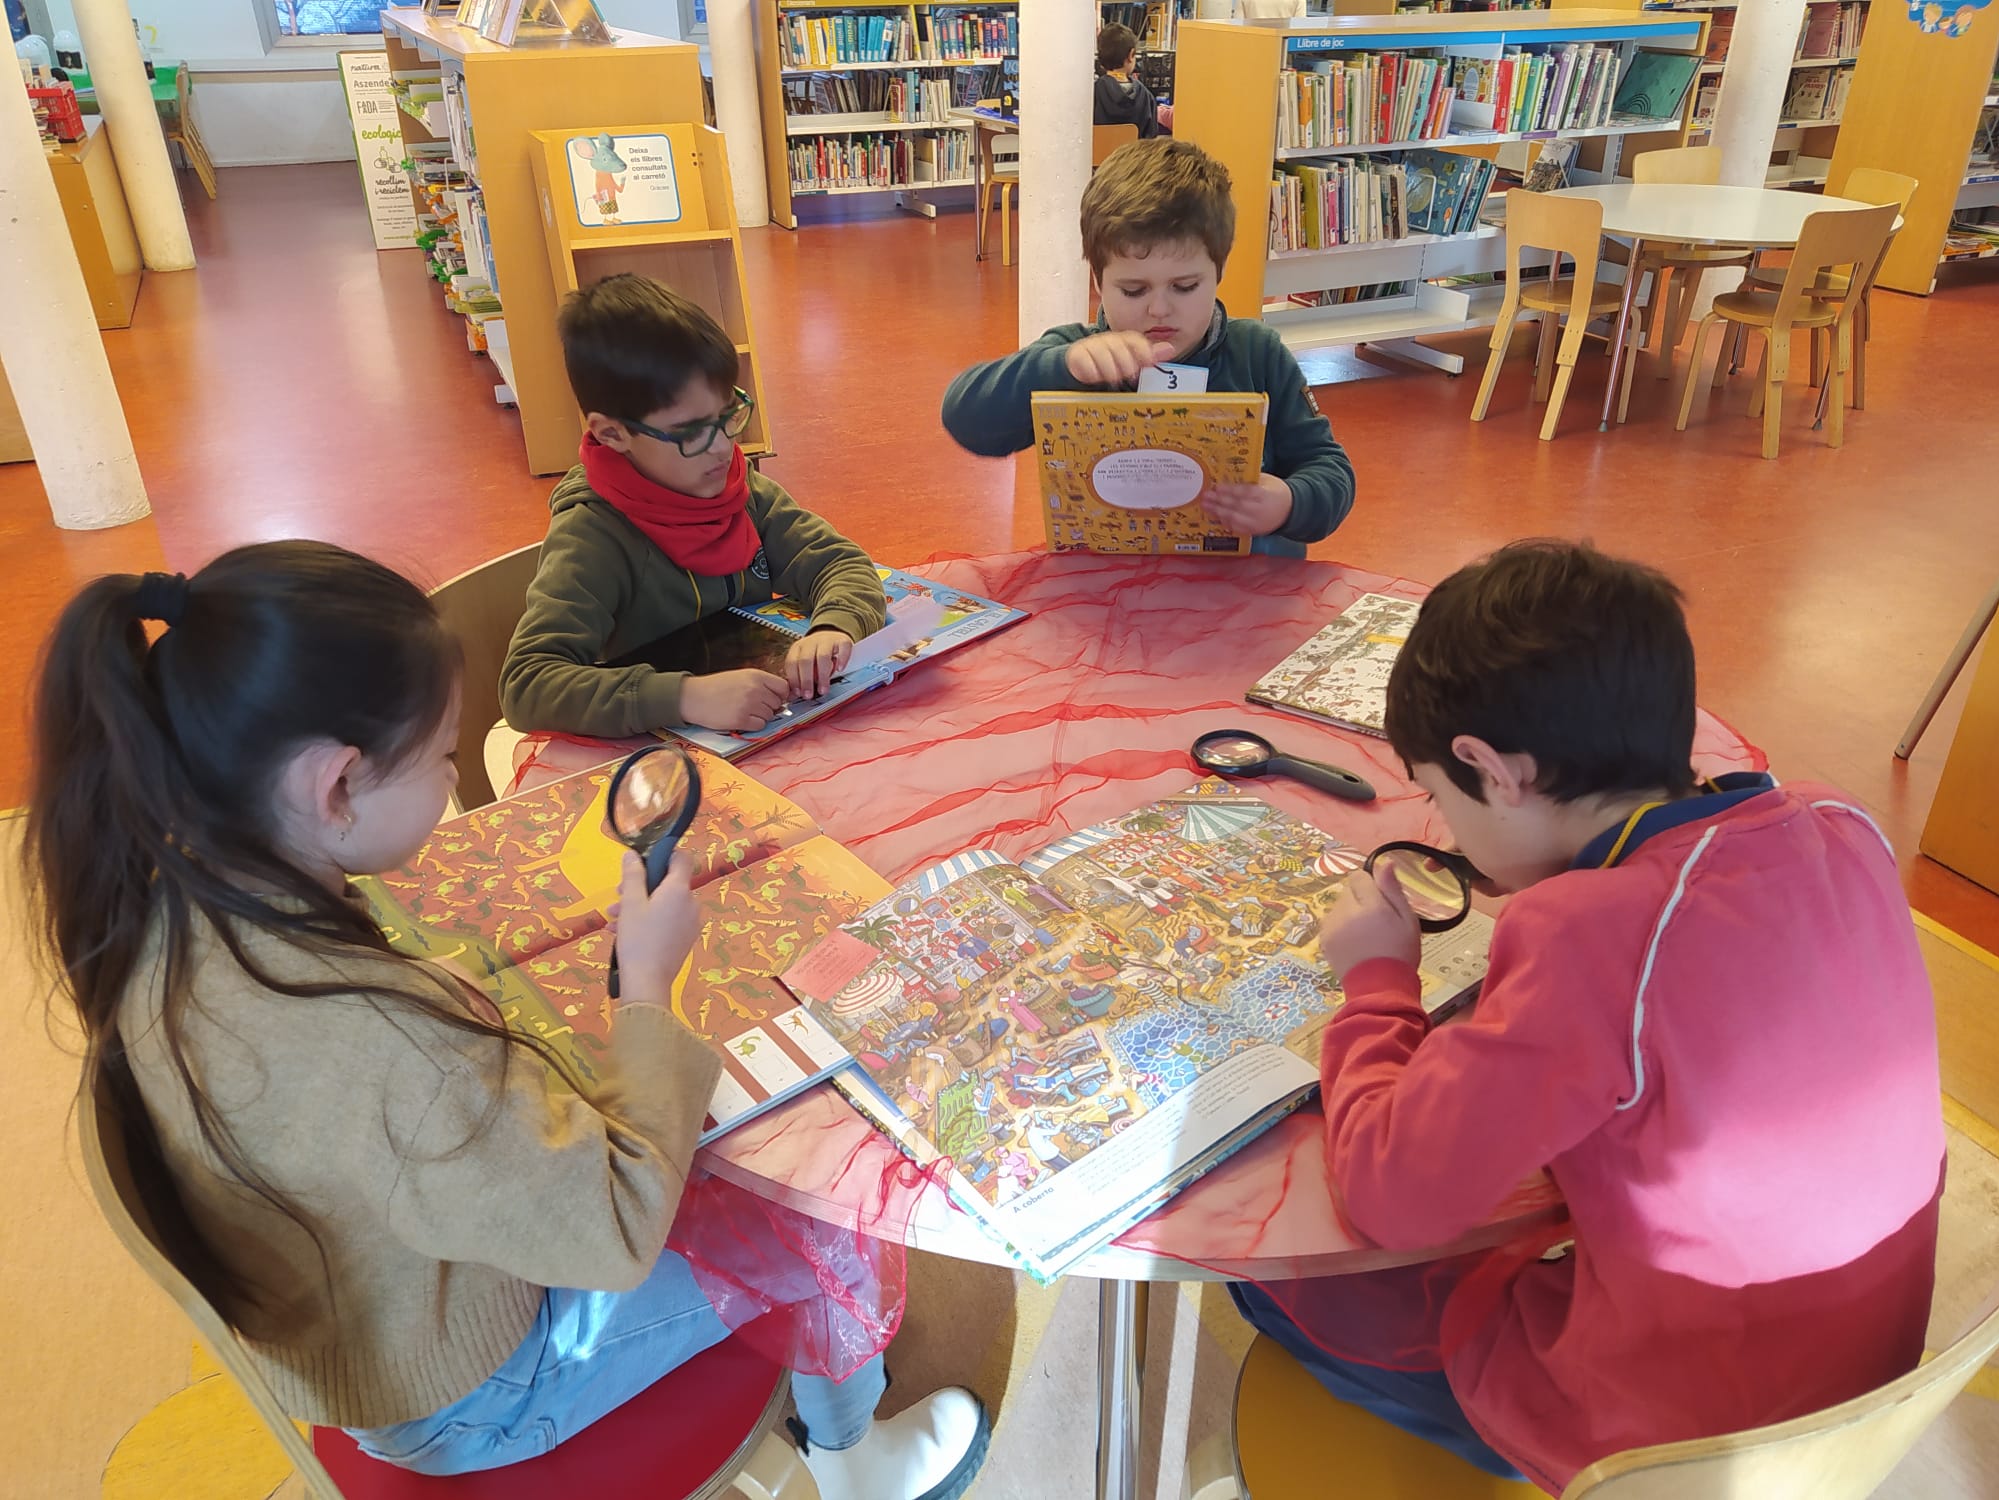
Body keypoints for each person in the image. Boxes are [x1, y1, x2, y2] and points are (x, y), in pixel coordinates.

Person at [28, 543, 986, 1498]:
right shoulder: (388, 1048)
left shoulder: (163, 899)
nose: (450, 775)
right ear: (336, 785)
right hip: (473, 1392)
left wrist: (440, 1008)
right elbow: (615, 1227)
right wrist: (646, 988)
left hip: (365, 1322)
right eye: (443, 756)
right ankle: (858, 1464)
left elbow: (379, 1099)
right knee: (812, 1210)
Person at [1237, 540, 1945, 1491]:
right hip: (1868, 1374)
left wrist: (1377, 982)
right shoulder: (1840, 823)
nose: (1445, 830)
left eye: (1440, 797)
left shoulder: (1587, 932)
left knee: (1273, 1282)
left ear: (1492, 768)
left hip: (1677, 1445)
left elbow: (1389, 1196)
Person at [501, 274, 887, 740]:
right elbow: (528, 684)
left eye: (726, 416)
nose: (723, 446)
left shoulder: (739, 489)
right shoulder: (592, 535)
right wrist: (684, 697)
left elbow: (839, 563)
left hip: (766, 735)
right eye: (689, 432)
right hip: (662, 757)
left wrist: (834, 628)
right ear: (612, 433)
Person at [941, 139, 1355, 558]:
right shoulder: (1077, 356)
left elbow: (1331, 471)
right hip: (1110, 587)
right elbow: (965, 418)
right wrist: (1061, 367)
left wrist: (1289, 502)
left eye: (1185, 286)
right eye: (1133, 290)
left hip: (1246, 587)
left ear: (1219, 271)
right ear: (1098, 280)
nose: (1159, 309)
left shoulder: (1257, 353)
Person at [1092, 23, 1165, 139]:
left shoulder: (1092, 94)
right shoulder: (1146, 97)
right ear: (1131, 55)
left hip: (1099, 151)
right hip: (1135, 151)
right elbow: (1151, 141)